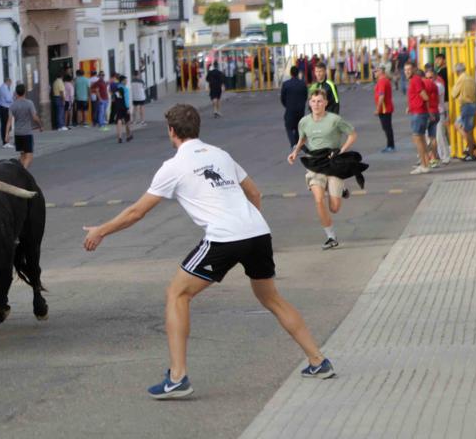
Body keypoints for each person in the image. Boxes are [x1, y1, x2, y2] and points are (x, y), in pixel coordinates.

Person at [83, 104, 335, 398]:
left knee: (177, 294)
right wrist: (246, 228)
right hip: (258, 231)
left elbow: (137, 212)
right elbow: (255, 193)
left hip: (224, 238)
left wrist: (101, 230)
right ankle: (318, 360)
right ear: (197, 128)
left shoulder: (174, 166)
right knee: (272, 298)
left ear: (172, 132)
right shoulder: (221, 155)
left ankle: (177, 378)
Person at [288, 88, 358, 250]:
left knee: (334, 208)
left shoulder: (335, 120)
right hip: (315, 164)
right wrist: (295, 152)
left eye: (320, 101)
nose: (316, 104)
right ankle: (331, 237)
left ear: (326, 103)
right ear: (309, 103)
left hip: (333, 163)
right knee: (318, 199)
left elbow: (353, 135)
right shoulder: (304, 122)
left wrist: (341, 151)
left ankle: (341, 189)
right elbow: (303, 138)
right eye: (313, 101)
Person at [404, 61, 435, 174]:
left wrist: (425, 109)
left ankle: (423, 165)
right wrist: (410, 106)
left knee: (418, 140)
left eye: (409, 69)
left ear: (414, 69)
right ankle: (426, 164)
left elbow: (424, 96)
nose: (407, 72)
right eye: (405, 70)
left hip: (418, 114)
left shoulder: (415, 80)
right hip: (418, 112)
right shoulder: (415, 80)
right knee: (421, 139)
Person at [5, 83, 41, 168]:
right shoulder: (29, 103)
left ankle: (18, 172)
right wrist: (40, 125)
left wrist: (6, 135)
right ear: (24, 92)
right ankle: (23, 173)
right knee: (29, 157)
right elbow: (35, 117)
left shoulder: (12, 105)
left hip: (18, 134)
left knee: (22, 155)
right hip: (27, 133)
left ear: (16, 93)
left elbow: (9, 121)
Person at [451, 62, 476, 161]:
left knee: (467, 130)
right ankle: (471, 146)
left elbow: (453, 94)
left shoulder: (461, 79)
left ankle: (471, 151)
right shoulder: (471, 78)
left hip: (466, 105)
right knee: (461, 126)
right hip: (473, 105)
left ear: (457, 72)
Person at [425, 64, 451, 166]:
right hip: (431, 113)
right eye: (427, 78)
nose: (429, 80)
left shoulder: (438, 86)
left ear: (435, 76)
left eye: (431, 77)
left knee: (440, 136)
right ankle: (436, 156)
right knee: (431, 137)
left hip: (439, 112)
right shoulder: (431, 85)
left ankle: (446, 156)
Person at [279, 65, 308, 148]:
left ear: (291, 73)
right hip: (300, 109)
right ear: (298, 73)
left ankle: (293, 143)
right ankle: (297, 143)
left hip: (290, 108)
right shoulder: (303, 84)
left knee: (288, 126)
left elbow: (282, 98)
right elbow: (305, 96)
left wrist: (287, 105)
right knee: (298, 127)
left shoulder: (286, 84)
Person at [373, 67, 396, 152]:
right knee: (387, 127)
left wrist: (378, 109)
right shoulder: (384, 81)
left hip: (384, 109)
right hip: (385, 108)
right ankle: (391, 145)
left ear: (380, 72)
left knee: (387, 127)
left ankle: (390, 146)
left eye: (376, 71)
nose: (374, 73)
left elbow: (381, 96)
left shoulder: (382, 81)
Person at [111, 74, 133, 142]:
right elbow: (126, 99)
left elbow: (113, 98)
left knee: (119, 120)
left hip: (118, 107)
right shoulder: (125, 89)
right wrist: (128, 108)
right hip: (124, 107)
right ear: (122, 81)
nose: (126, 82)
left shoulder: (116, 88)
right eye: (125, 81)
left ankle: (119, 137)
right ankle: (128, 135)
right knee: (127, 121)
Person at [0, 77, 15, 145]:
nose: (10, 85)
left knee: (3, 125)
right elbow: (8, 99)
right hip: (5, 108)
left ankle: (4, 141)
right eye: (10, 83)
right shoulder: (5, 88)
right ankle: (6, 142)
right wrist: (13, 98)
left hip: (1, 107)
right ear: (8, 81)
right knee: (7, 125)